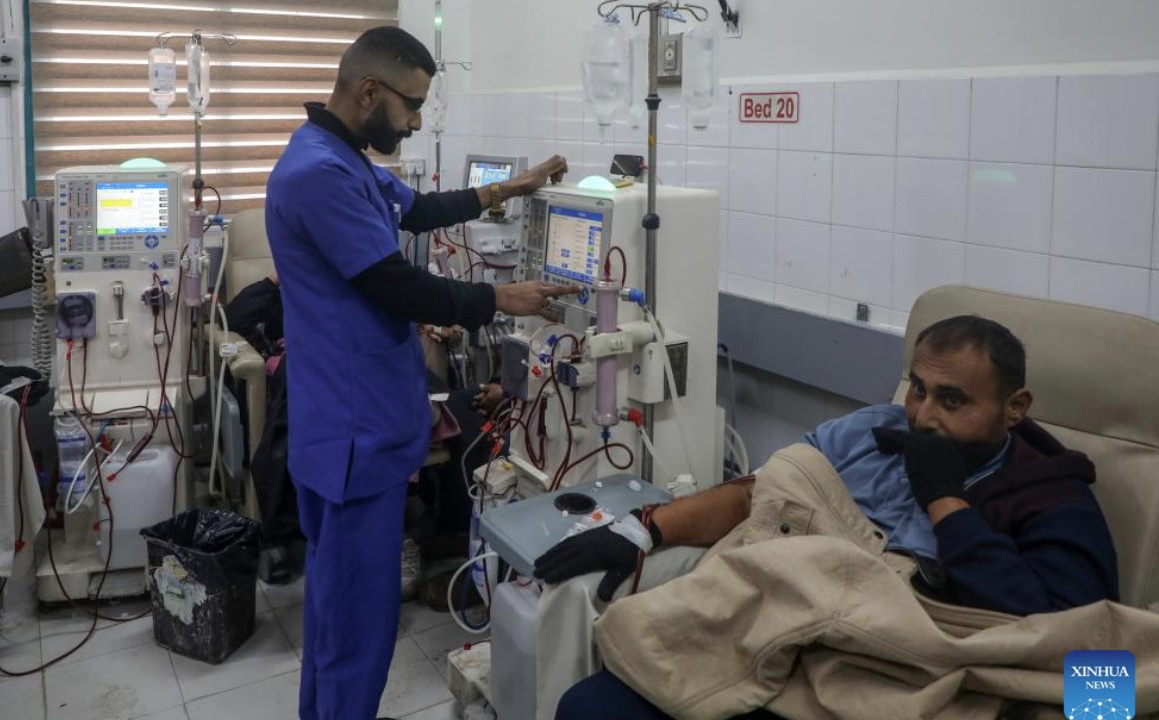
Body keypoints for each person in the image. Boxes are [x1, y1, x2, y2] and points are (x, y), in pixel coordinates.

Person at [539, 315, 1119, 720]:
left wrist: (944, 500)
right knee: (587, 708)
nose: (922, 416)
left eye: (953, 400)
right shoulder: (873, 431)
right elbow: (760, 493)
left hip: (880, 672)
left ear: (1014, 408)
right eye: (918, 389)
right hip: (771, 629)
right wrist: (646, 528)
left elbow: (1069, 643)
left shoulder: (1052, 498)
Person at [264, 26, 578, 720]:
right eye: (411, 106)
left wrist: (511, 188)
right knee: (357, 636)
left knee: (335, 625)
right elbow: (397, 286)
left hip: (350, 430)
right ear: (369, 90)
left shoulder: (340, 158)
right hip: (354, 441)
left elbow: (420, 209)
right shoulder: (318, 173)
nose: (413, 123)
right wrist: (502, 297)